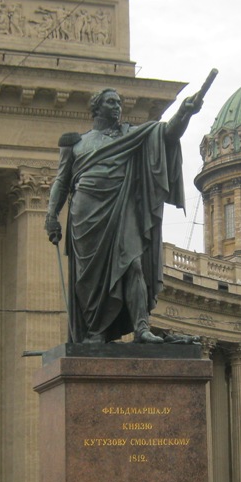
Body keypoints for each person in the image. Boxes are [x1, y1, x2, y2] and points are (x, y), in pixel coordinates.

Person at [45, 84, 206, 344]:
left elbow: (166, 133)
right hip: (86, 214)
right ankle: (95, 331)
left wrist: (184, 113)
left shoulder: (131, 134)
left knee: (133, 264)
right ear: (96, 107)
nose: (117, 106)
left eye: (119, 102)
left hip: (122, 207)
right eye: (111, 102)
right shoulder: (76, 143)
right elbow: (61, 182)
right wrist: (51, 216)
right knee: (90, 277)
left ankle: (141, 327)